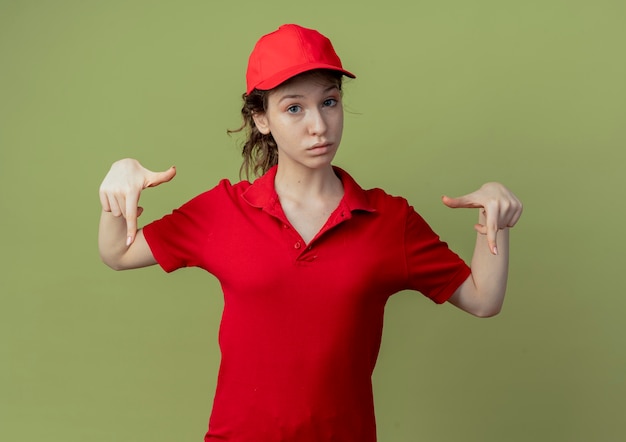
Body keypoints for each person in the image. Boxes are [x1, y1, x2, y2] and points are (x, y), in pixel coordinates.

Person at [98, 24, 522, 442]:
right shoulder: (224, 210)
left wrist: (495, 220)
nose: (318, 125)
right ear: (261, 119)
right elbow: (118, 252)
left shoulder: (388, 219)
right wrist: (119, 182)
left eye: (330, 102)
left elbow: (483, 299)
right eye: (294, 108)